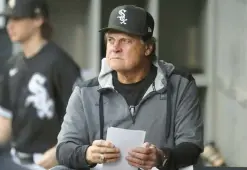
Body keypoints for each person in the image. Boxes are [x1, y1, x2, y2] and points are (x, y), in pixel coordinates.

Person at [54, 5, 203, 170]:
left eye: (125, 41)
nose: (115, 48)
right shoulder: (85, 92)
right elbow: (63, 149)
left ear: (148, 48)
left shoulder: (180, 84)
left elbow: (191, 146)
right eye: (111, 40)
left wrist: (161, 157)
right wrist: (87, 154)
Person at [0, 0, 82, 169]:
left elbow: (83, 119)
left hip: (50, 163)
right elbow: (5, 118)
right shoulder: (13, 64)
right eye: (8, 19)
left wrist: (61, 150)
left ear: (38, 19)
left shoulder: (60, 63)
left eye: (16, 18)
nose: (10, 25)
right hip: (15, 160)